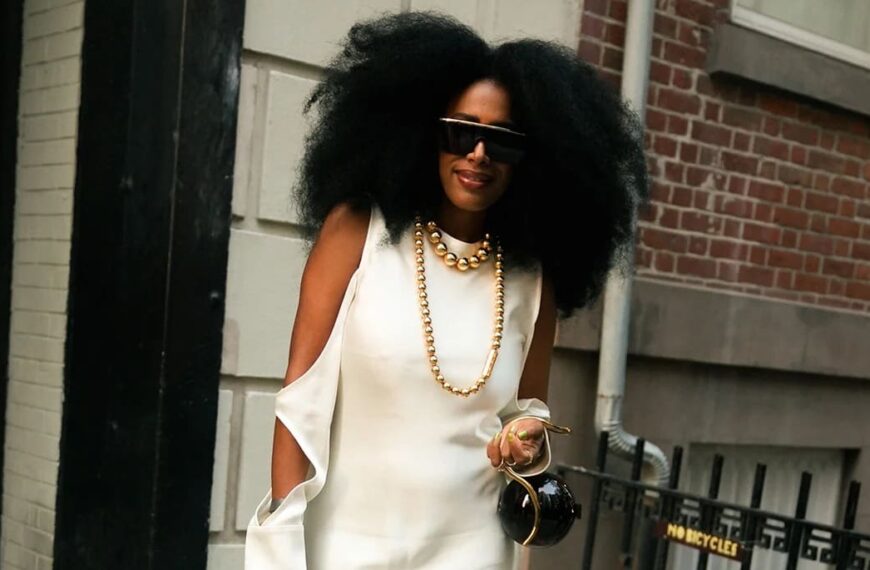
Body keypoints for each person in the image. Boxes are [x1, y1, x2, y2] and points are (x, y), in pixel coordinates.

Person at [244, 11, 647, 570]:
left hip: (472, 548)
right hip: (347, 542)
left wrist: (526, 438)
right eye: (462, 132)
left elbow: (525, 412)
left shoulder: (531, 279)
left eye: (501, 142)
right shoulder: (359, 232)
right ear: (425, 136)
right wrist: (281, 542)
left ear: (528, 159)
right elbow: (299, 401)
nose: (478, 154)